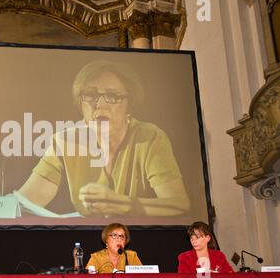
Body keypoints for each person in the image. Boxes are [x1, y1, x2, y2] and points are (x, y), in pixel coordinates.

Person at [18, 60, 190, 217]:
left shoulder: (149, 137)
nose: (99, 104)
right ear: (80, 104)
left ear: (129, 105)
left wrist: (124, 205)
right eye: (91, 95)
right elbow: (24, 204)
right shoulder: (65, 141)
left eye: (112, 96)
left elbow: (179, 204)